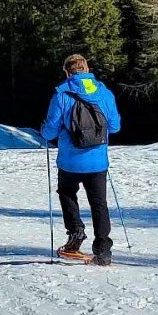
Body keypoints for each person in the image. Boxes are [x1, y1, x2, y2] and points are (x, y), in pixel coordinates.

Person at [40, 54, 121, 266]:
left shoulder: (62, 94)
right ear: (87, 69)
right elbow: (115, 126)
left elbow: (49, 132)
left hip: (70, 160)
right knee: (99, 203)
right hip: (97, 161)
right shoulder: (104, 93)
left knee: (67, 193)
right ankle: (103, 250)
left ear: (67, 72)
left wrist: (44, 129)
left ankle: (75, 232)